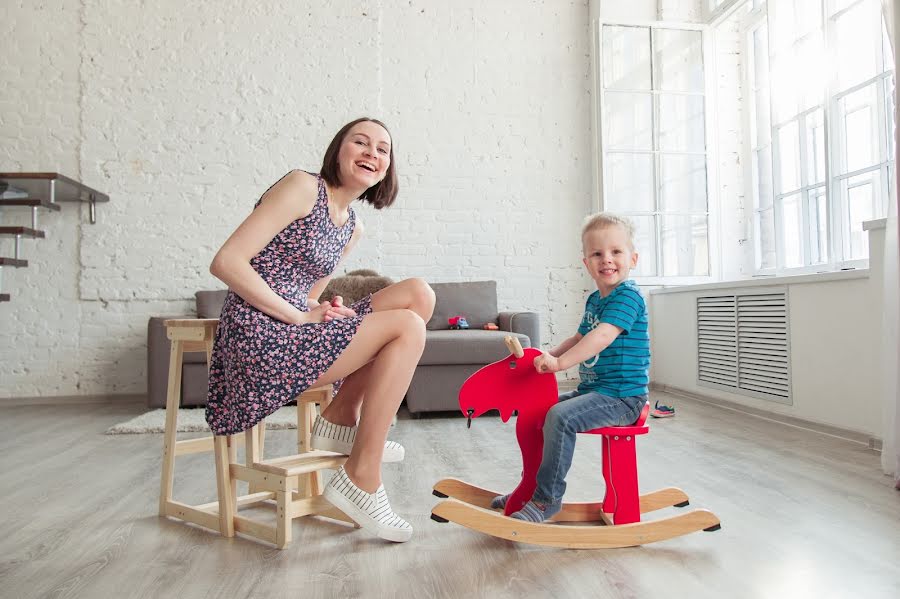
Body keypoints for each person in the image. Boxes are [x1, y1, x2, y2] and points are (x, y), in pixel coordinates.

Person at [205, 117, 435, 543]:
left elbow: (306, 294)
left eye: (382, 149)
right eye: (361, 142)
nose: (372, 153)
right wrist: (297, 316)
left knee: (418, 296)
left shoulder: (351, 225)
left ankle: (339, 416)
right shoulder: (302, 187)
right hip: (260, 334)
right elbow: (227, 262)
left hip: (295, 329)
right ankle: (362, 477)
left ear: (388, 167)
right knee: (404, 326)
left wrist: (321, 310)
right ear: (338, 149)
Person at [492, 212, 651, 523]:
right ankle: (528, 489)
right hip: (596, 392)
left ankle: (545, 500)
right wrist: (548, 354)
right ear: (586, 263)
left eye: (616, 252)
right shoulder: (596, 299)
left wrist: (561, 364)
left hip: (622, 398)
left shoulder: (628, 297)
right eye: (597, 253)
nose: (607, 259)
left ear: (632, 258)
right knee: (537, 412)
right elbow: (579, 336)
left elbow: (601, 336)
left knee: (560, 417)